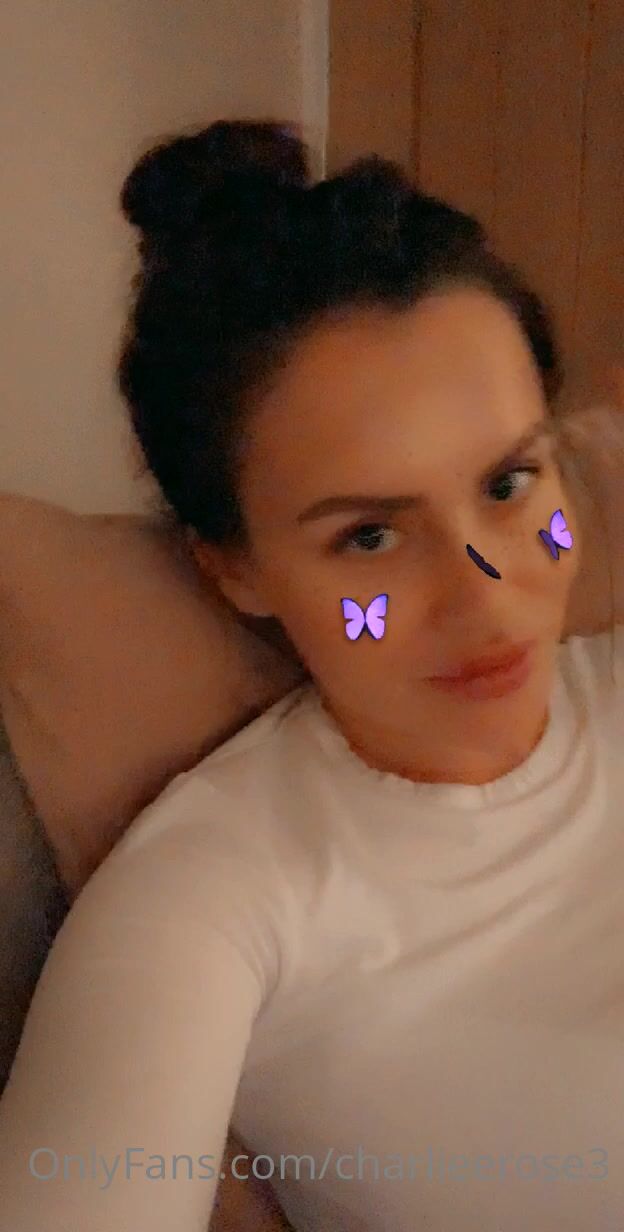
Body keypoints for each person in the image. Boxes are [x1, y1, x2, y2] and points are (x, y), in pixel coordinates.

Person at [1, 118, 623, 1232]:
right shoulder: (215, 897)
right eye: (370, 538)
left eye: (509, 483)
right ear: (235, 568)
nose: (486, 594)